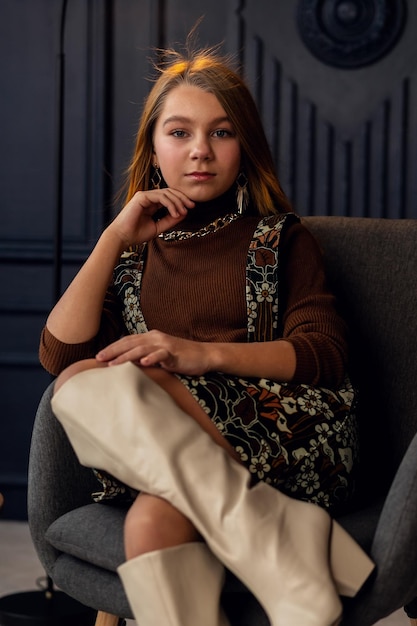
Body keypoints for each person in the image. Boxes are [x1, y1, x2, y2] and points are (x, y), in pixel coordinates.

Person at [40, 41, 374, 626]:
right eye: (179, 133)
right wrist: (113, 237)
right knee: (89, 401)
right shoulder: (135, 253)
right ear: (152, 149)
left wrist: (195, 353)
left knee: (133, 373)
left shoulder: (277, 239)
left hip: (287, 435)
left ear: (244, 148)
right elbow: (60, 352)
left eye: (221, 133)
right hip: (173, 456)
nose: (200, 151)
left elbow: (324, 355)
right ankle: (273, 535)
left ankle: (284, 528)